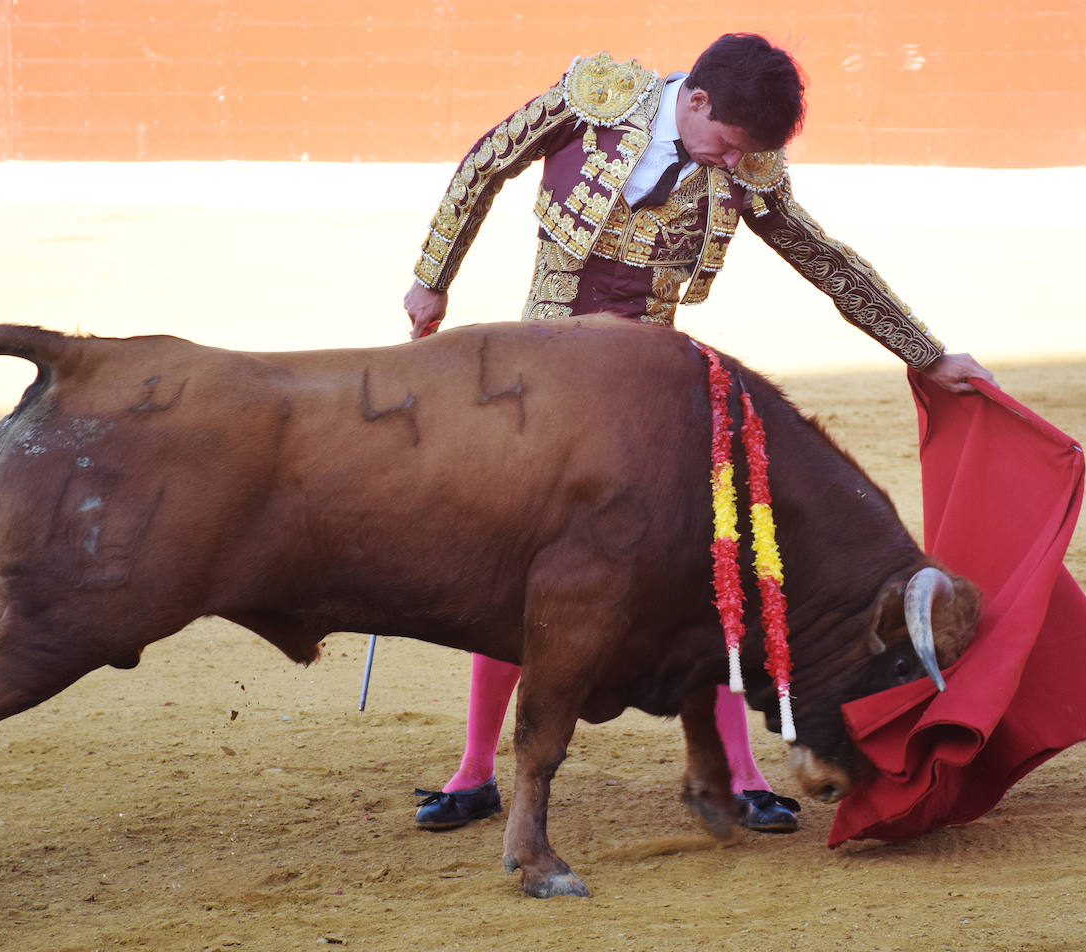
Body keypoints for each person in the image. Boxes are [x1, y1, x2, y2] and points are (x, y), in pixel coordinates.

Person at [403, 33, 994, 835]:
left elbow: (823, 258)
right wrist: (432, 278)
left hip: (652, 397)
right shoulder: (594, 97)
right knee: (521, 574)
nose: (728, 164)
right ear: (697, 101)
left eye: (743, 155)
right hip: (543, 381)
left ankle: (739, 776)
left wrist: (925, 355)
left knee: (711, 566)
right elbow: (484, 165)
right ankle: (474, 771)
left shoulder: (744, 162)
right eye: (723, 145)